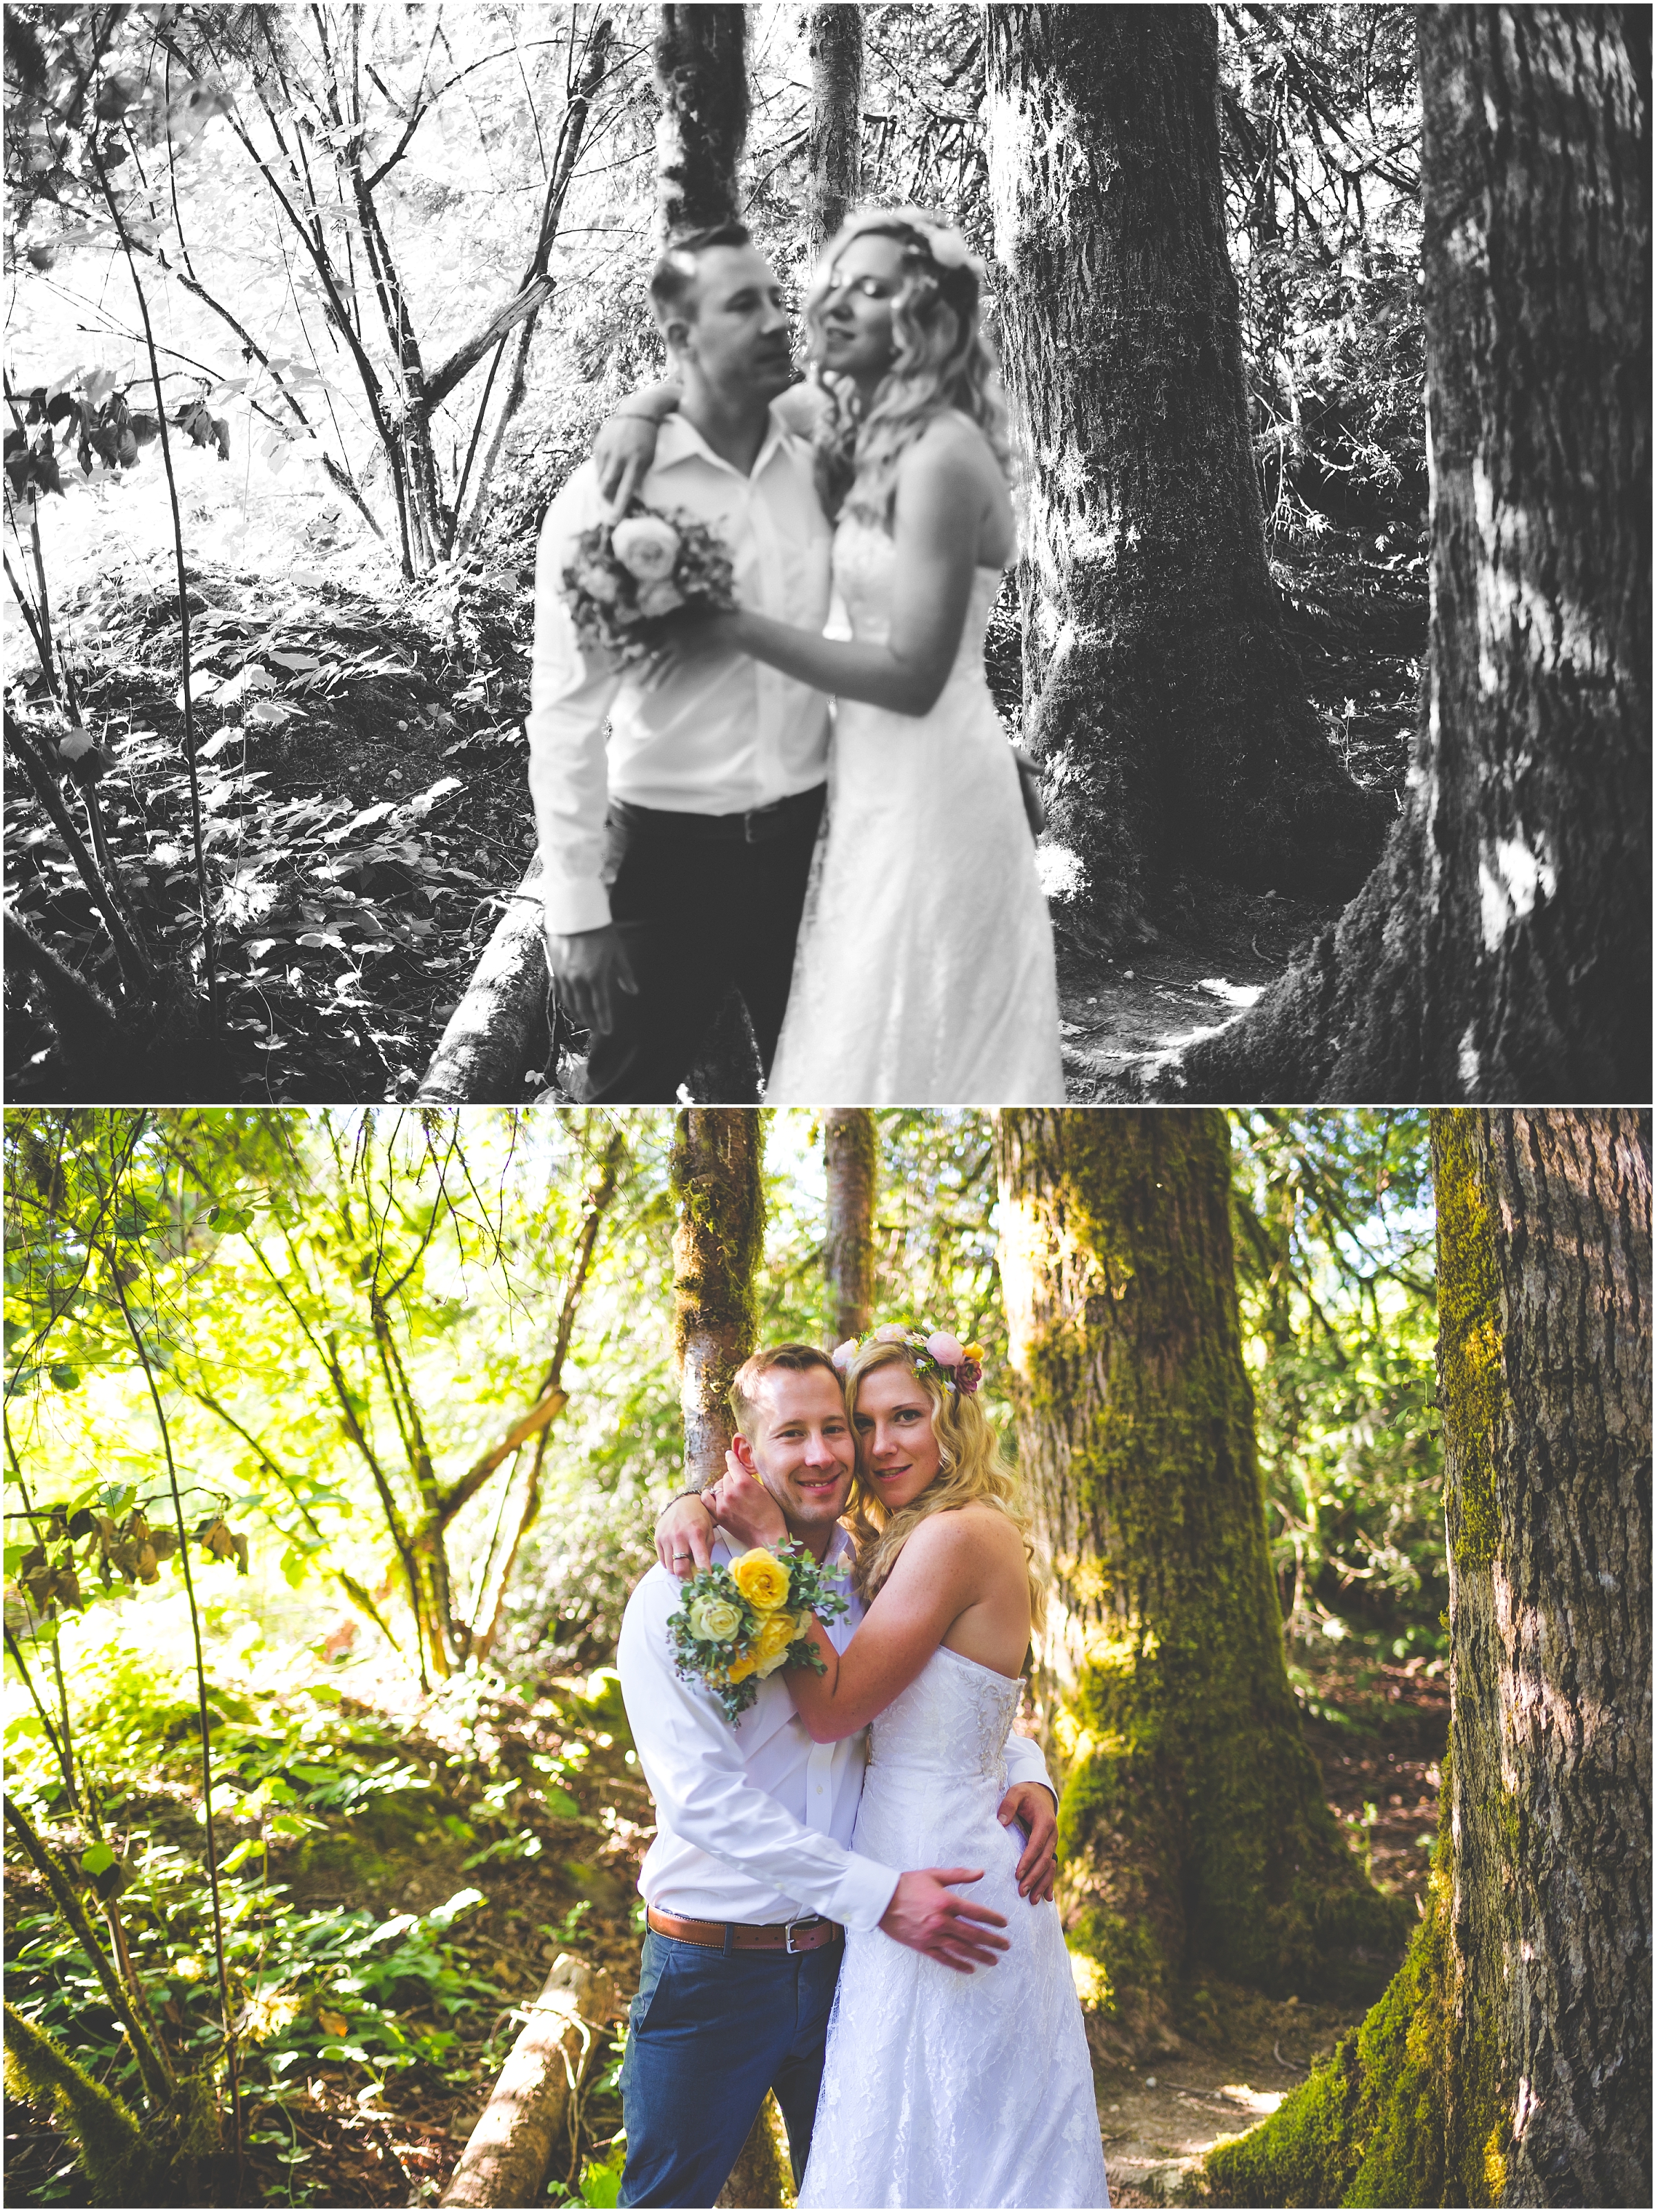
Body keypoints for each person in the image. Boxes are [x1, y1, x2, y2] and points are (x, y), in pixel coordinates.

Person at [593, 206, 1064, 1105]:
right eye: (838, 284)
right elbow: (734, 388)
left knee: (918, 1033)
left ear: (924, 320)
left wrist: (731, 626)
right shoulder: (860, 424)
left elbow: (914, 676)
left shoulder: (940, 454)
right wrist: (639, 406)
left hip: (928, 781)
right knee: (857, 1022)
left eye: (876, 289)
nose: (839, 304)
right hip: (858, 781)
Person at [653, 1327, 1109, 2209]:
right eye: (864, 1423)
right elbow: (960, 1703)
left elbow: (836, 1707)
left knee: (961, 2160)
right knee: (906, 2155)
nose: (878, 1444)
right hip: (880, 1892)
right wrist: (690, 1502)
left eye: (908, 1416)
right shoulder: (878, 1548)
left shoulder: (952, 1539)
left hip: (941, 1886)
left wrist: (765, 1544)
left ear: (953, 1419)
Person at [526, 222, 834, 1102]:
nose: (780, 321)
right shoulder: (610, 498)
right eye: (746, 305)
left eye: (779, 300)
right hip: (664, 865)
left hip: (812, 854)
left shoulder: (821, 458)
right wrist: (577, 906)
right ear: (680, 340)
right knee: (625, 1108)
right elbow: (566, 715)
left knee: (835, 1105)